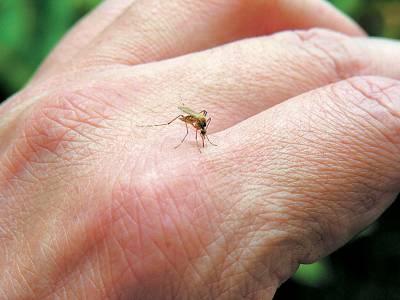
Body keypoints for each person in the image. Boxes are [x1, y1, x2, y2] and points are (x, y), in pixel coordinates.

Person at [0, 0, 399, 299]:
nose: (201, 127)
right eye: (201, 125)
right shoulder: (188, 121)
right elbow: (189, 120)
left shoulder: (202, 120)